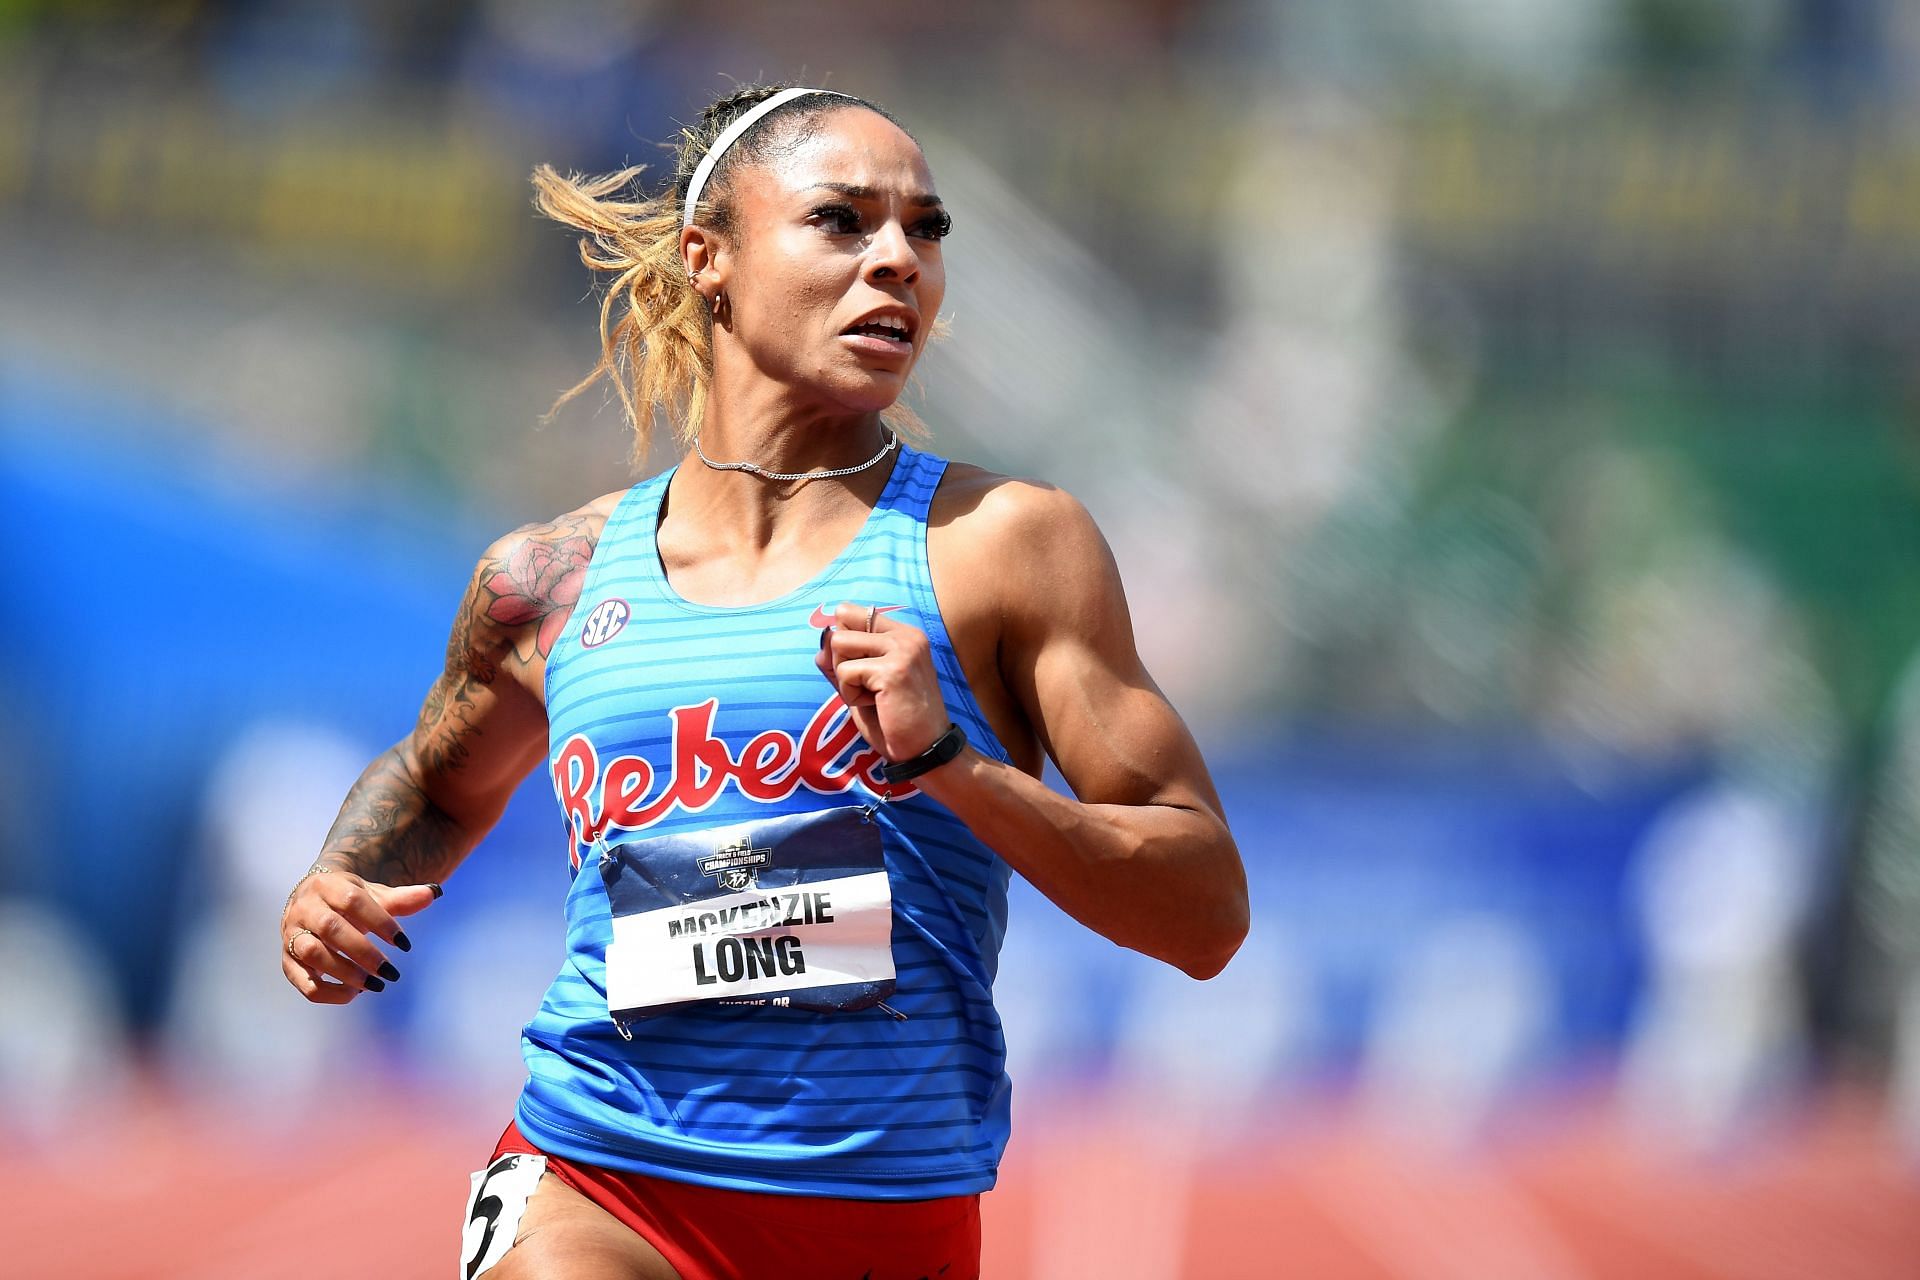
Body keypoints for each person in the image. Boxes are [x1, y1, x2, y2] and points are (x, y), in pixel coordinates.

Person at [278, 82, 1248, 1280]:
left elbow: (1205, 913)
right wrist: (336, 883)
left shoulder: (1001, 543)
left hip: (883, 1212)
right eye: (842, 219)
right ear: (711, 258)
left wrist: (950, 763)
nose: (898, 259)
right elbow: (433, 781)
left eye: (926, 229)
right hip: (597, 1173)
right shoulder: (550, 576)